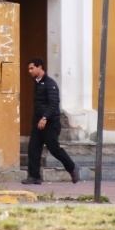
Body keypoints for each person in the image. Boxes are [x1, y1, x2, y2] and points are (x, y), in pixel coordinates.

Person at [22, 57, 80, 185]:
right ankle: (34, 177)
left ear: (40, 67)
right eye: (29, 69)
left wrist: (45, 118)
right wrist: (37, 120)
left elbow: (53, 103)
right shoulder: (37, 83)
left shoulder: (50, 84)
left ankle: (72, 167)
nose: (29, 71)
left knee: (54, 149)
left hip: (50, 123)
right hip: (38, 123)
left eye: (32, 68)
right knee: (33, 149)